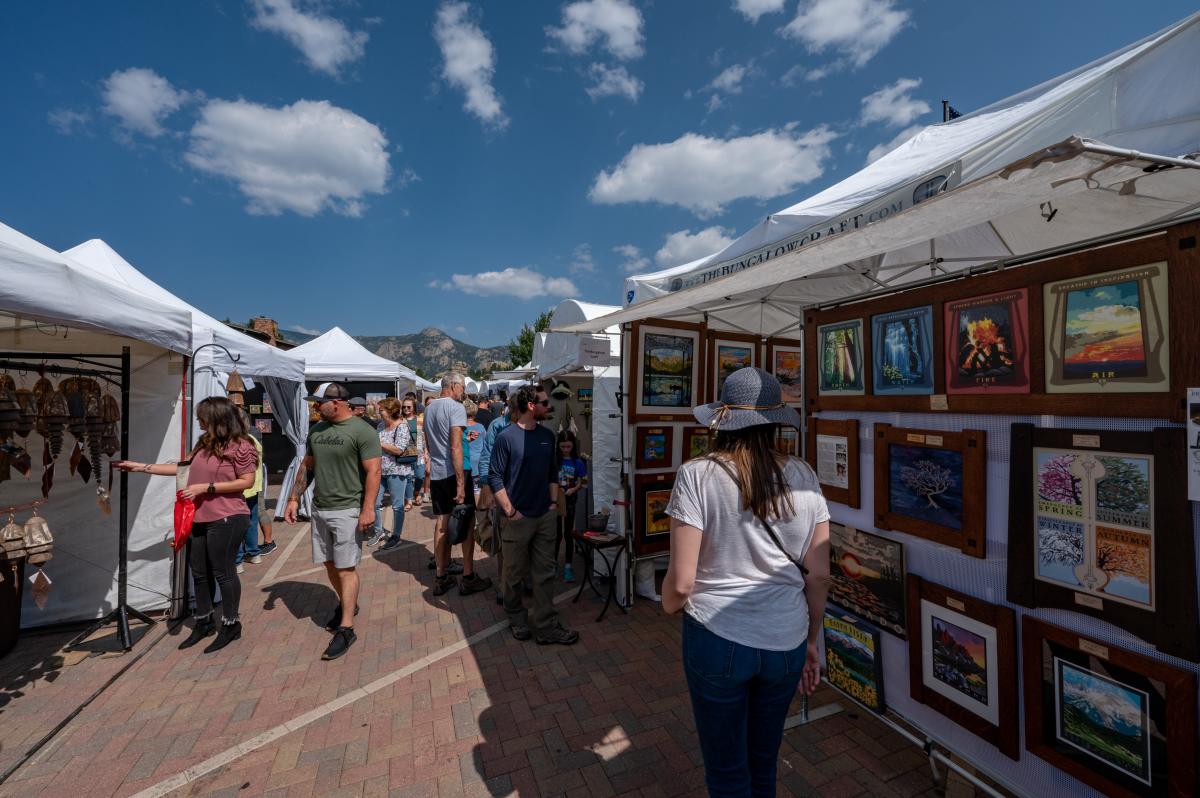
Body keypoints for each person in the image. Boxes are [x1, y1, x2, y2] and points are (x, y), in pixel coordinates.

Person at [661, 367, 830, 797]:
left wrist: (666, 604)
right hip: (786, 639)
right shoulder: (805, 477)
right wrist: (812, 641)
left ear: (723, 419)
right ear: (775, 422)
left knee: (726, 772)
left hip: (717, 634)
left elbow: (681, 582)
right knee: (763, 763)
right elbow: (821, 575)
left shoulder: (697, 475)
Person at [114, 396, 258, 653]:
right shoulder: (204, 444)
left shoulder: (241, 446)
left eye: (202, 416)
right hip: (199, 517)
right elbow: (182, 469)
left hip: (228, 517)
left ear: (216, 418)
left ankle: (231, 624)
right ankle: (204, 622)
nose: (198, 421)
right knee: (199, 573)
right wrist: (141, 467)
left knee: (223, 572)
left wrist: (207, 487)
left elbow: (246, 482)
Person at [283, 382, 382, 661]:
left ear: (337, 402)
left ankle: (346, 627)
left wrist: (368, 509)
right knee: (329, 563)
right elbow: (307, 466)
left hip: (348, 509)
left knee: (346, 567)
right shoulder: (317, 431)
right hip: (320, 508)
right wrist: (293, 499)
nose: (315, 407)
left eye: (319, 402)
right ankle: (347, 603)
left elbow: (374, 472)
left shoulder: (362, 431)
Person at [488, 384, 579, 645]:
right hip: (517, 518)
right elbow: (495, 476)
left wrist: (552, 504)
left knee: (545, 572)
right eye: (544, 402)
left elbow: (553, 472)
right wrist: (510, 510)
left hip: (544, 515)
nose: (548, 407)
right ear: (530, 406)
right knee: (514, 574)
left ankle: (545, 624)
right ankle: (516, 617)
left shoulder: (548, 436)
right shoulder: (506, 437)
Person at [425, 374, 492, 597]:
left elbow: (429, 442)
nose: (463, 391)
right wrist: (461, 483)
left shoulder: (430, 407)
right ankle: (468, 575)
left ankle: (441, 576)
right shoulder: (455, 408)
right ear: (453, 386)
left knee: (442, 523)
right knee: (466, 521)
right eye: (462, 387)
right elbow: (455, 447)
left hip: (436, 473)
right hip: (455, 472)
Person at [372, 397, 414, 552]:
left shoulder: (402, 426)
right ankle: (378, 531)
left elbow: (399, 449)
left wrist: (378, 443)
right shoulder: (381, 425)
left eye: (381, 409)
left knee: (397, 506)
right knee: (375, 503)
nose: (379, 412)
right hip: (380, 470)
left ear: (390, 411)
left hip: (397, 470)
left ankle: (396, 536)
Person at [554, 430, 587, 583]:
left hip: (571, 500)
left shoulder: (577, 462)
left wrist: (574, 489)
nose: (565, 450)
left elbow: (583, 481)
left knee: (568, 534)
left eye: (568, 447)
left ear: (573, 446)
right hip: (556, 500)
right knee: (555, 535)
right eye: (563, 447)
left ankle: (568, 566)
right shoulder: (555, 461)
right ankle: (553, 565)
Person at [399, 397, 424, 511]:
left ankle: (417, 492)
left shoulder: (420, 420)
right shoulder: (399, 420)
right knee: (408, 477)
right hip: (405, 452)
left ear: (414, 408)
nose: (406, 409)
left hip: (419, 451)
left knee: (420, 476)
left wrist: (427, 452)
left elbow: (425, 437)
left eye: (408, 407)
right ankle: (408, 500)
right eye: (404, 407)